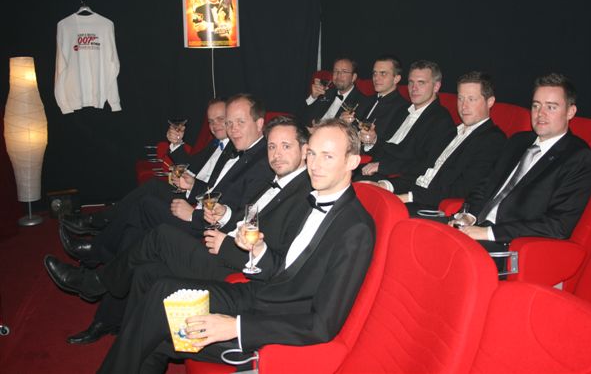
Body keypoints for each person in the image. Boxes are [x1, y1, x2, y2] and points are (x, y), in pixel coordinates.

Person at [44, 116, 313, 344]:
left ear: (259, 124)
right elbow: (229, 201)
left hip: (223, 249)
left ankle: (96, 269)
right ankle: (111, 319)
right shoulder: (252, 161)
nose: (230, 128)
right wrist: (216, 211)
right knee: (138, 242)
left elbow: (273, 253)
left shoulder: (276, 173)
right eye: (223, 121)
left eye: (236, 121)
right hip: (215, 228)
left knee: (156, 227)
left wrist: (202, 216)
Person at [59, 98, 229, 261]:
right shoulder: (215, 144)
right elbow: (192, 165)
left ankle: (96, 232)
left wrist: (192, 186)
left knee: (145, 202)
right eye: (211, 121)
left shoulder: (234, 151)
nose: (214, 125)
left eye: (220, 119)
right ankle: (99, 230)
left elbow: (219, 191)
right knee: (151, 188)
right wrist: (177, 143)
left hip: (201, 208)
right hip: (193, 193)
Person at [450, 73, 591, 255]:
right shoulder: (518, 141)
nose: (540, 114)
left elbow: (557, 225)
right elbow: (486, 185)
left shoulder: (578, 158)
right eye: (536, 106)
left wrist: (488, 233)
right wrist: (468, 215)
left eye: (551, 107)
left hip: (508, 244)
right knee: (425, 236)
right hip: (475, 229)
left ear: (570, 112)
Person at [369, 71, 507, 216]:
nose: (464, 106)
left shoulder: (492, 140)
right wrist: (387, 185)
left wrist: (409, 197)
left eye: (471, 99)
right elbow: (422, 169)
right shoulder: (452, 132)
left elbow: (463, 189)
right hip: (413, 193)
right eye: (460, 98)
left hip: (434, 206)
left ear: (490, 102)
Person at [358, 60, 455, 179]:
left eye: (421, 83)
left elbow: (426, 164)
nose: (414, 88)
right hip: (373, 168)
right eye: (411, 82)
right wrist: (372, 140)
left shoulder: (441, 121)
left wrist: (382, 167)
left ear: (436, 87)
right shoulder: (402, 111)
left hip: (398, 178)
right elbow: (387, 147)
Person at [357, 54, 409, 142]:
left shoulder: (403, 109)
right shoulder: (365, 100)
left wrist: (372, 139)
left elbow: (389, 144)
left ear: (396, 79)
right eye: (374, 73)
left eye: (383, 73)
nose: (376, 78)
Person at [302, 57, 369, 126]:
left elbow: (355, 129)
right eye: (335, 71)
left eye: (344, 71)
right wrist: (312, 97)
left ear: (353, 77)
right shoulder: (326, 92)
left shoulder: (362, 102)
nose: (338, 75)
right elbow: (302, 117)